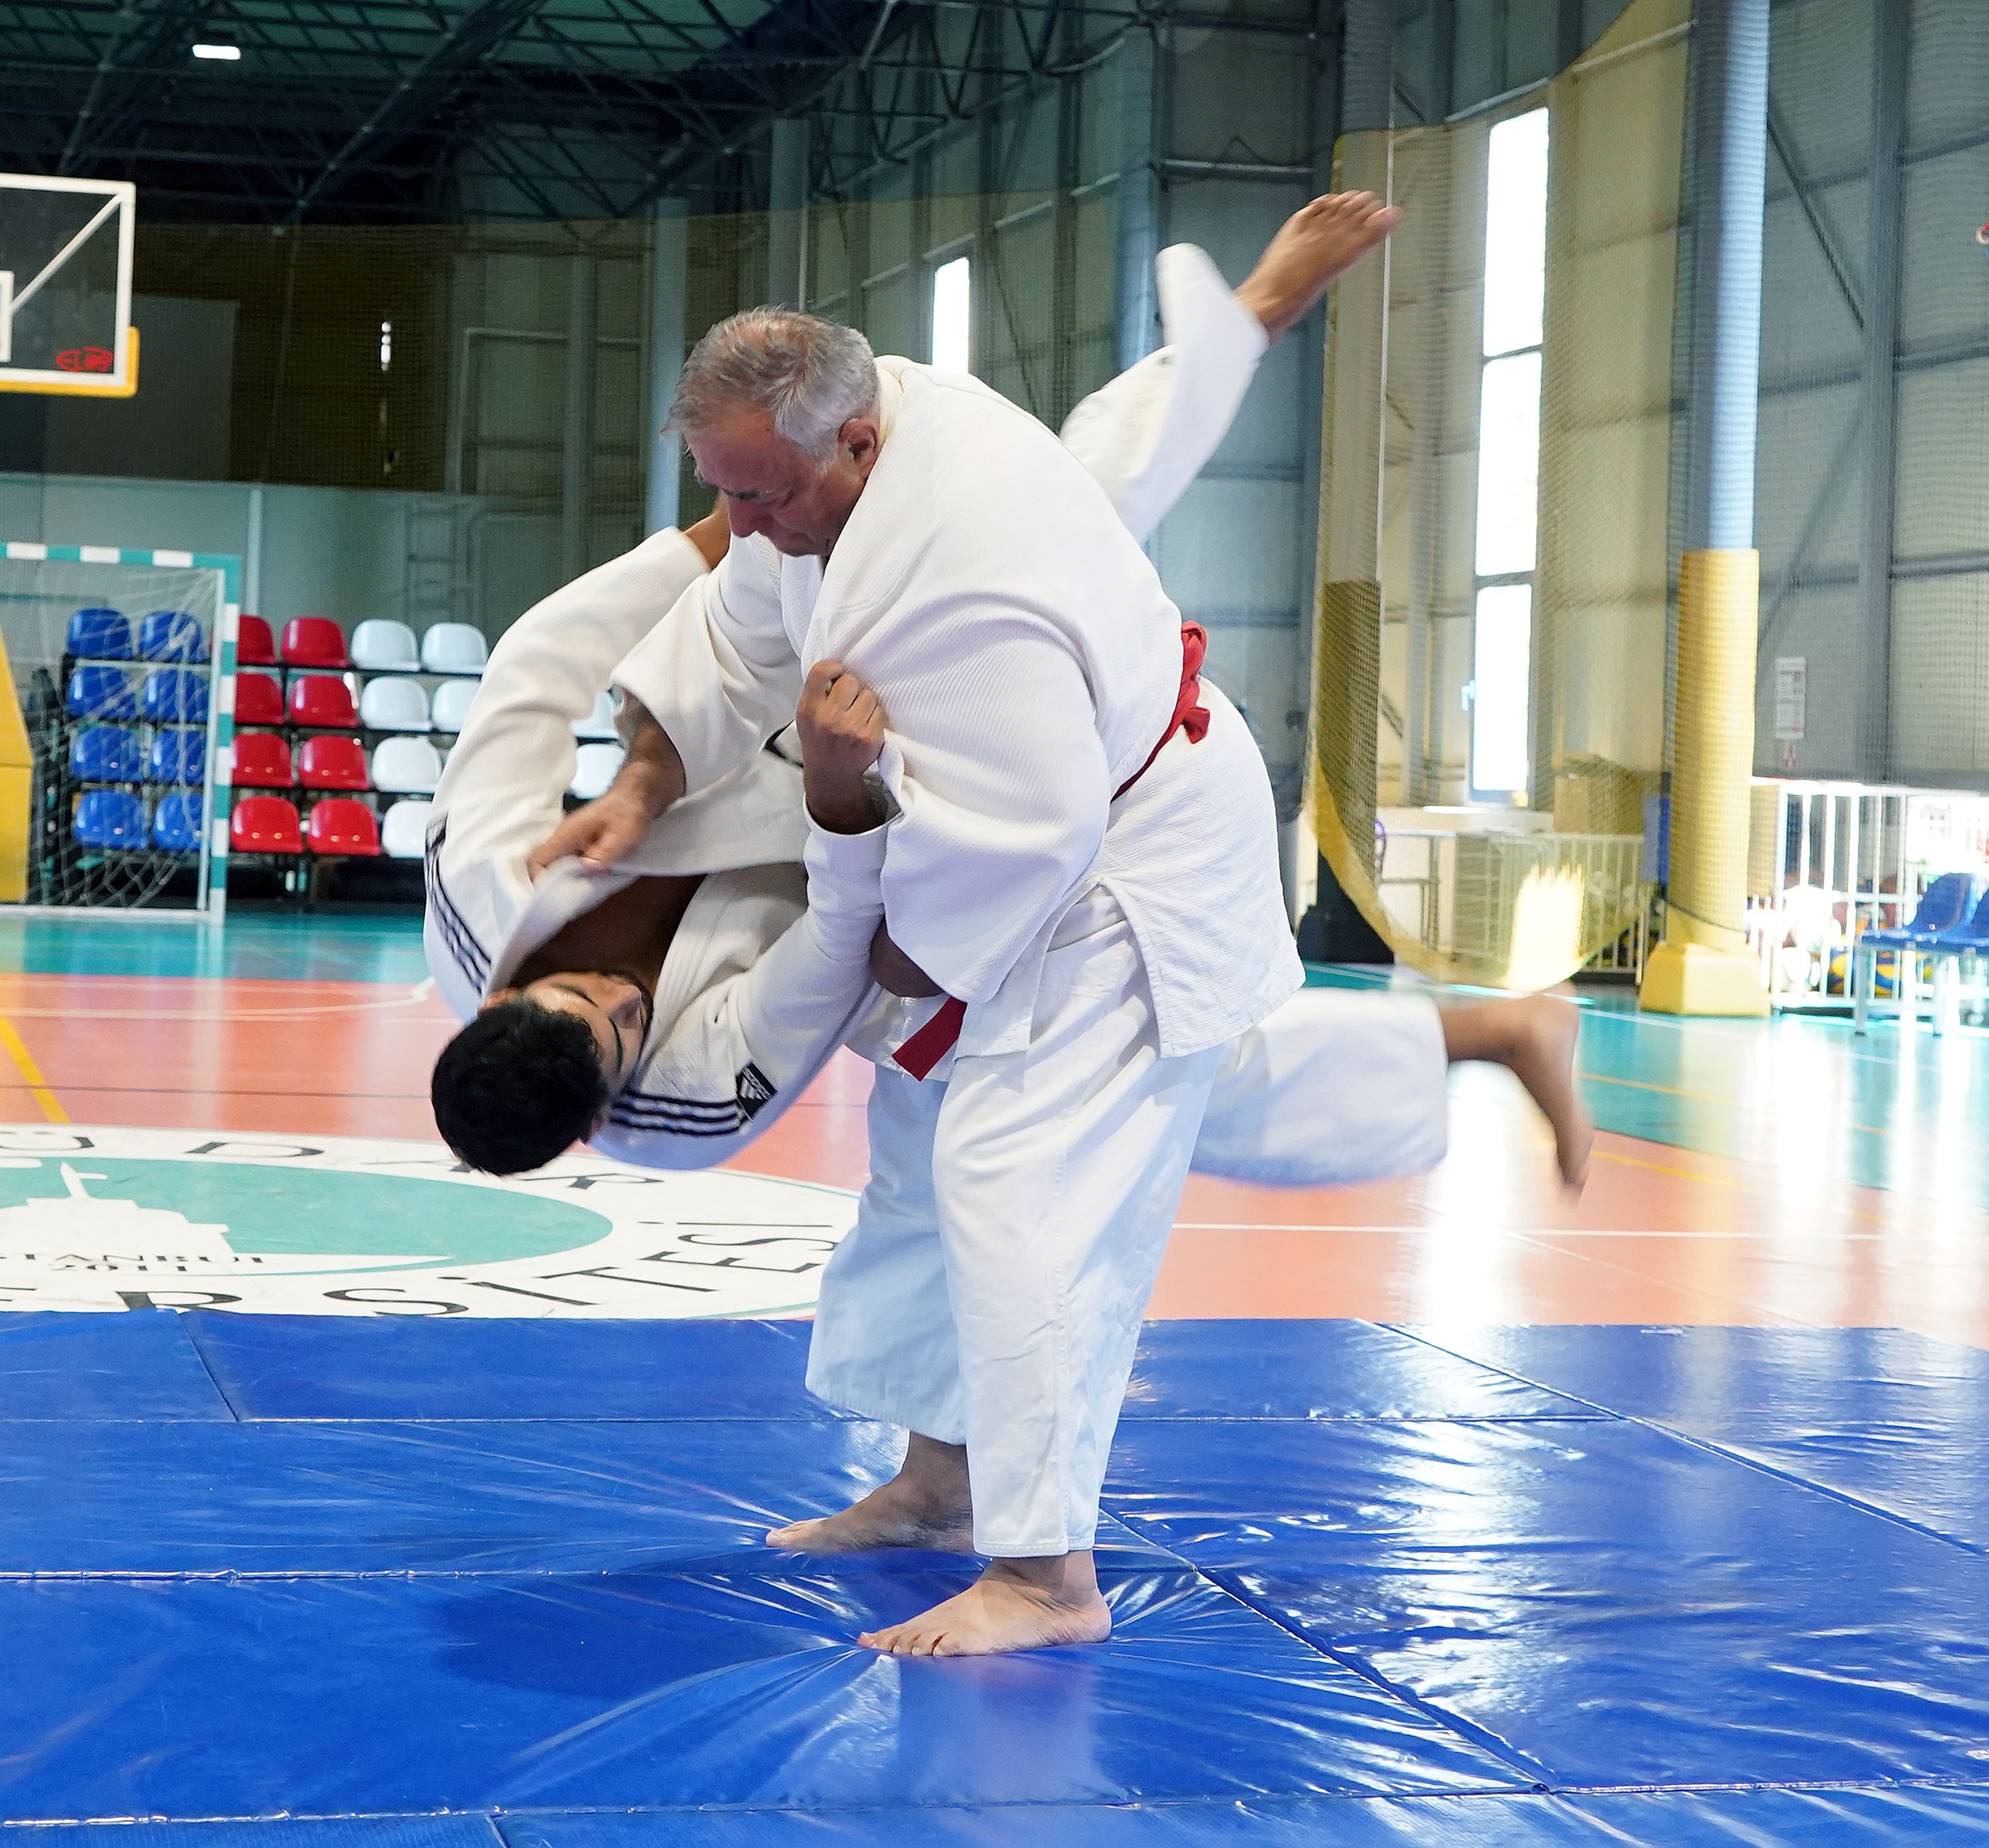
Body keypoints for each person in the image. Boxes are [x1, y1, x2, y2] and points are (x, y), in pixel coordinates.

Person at [523, 190, 1465, 1659]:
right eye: (724, 493)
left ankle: (1048, 1577)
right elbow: (746, 614)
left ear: (854, 441)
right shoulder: (839, 451)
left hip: (1117, 868)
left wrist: (855, 875)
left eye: (759, 494)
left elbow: (1027, 845)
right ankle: (935, 1486)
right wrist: (644, 778)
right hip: (1035, 817)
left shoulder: (963, 586)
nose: (743, 528)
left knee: (1024, 1180)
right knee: (934, 1158)